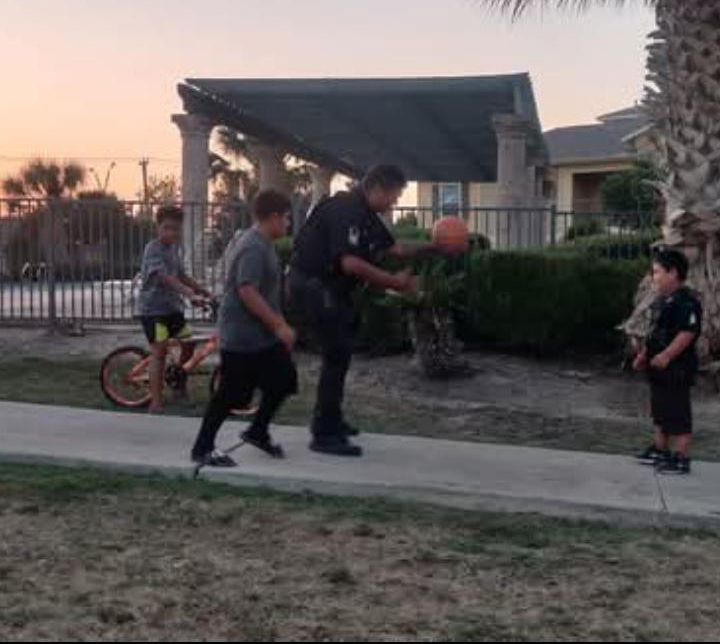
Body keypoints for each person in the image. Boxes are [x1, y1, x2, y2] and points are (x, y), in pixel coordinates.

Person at [289, 164, 452, 457]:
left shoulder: (366, 214)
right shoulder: (345, 210)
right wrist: (395, 282)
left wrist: (435, 246)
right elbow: (350, 263)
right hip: (313, 287)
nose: (395, 202)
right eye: (394, 195)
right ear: (377, 188)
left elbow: (395, 249)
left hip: (331, 290)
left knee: (340, 355)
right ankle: (324, 434)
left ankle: (332, 420)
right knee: (336, 355)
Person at [191, 190, 298, 467]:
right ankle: (202, 448)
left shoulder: (264, 243)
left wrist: (278, 325)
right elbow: (247, 290)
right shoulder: (253, 247)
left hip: (262, 336)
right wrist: (278, 325)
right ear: (273, 217)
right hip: (242, 336)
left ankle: (257, 431)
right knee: (232, 394)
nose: (288, 224)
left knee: (284, 380)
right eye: (286, 218)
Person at [136, 205, 211, 414]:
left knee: (188, 344)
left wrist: (202, 291)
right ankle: (156, 401)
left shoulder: (174, 250)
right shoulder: (153, 249)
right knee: (159, 352)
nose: (171, 233)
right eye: (166, 228)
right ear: (158, 227)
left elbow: (181, 275)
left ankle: (178, 385)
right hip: (154, 311)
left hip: (173, 309)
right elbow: (165, 277)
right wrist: (188, 293)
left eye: (176, 229)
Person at [634, 247, 702, 475]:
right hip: (658, 370)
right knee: (660, 410)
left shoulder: (687, 302)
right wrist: (644, 355)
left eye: (657, 272)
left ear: (673, 273)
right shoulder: (663, 301)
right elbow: (654, 333)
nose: (653, 277)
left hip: (677, 370)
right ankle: (660, 449)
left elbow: (687, 332)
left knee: (678, 411)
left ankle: (681, 456)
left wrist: (667, 355)